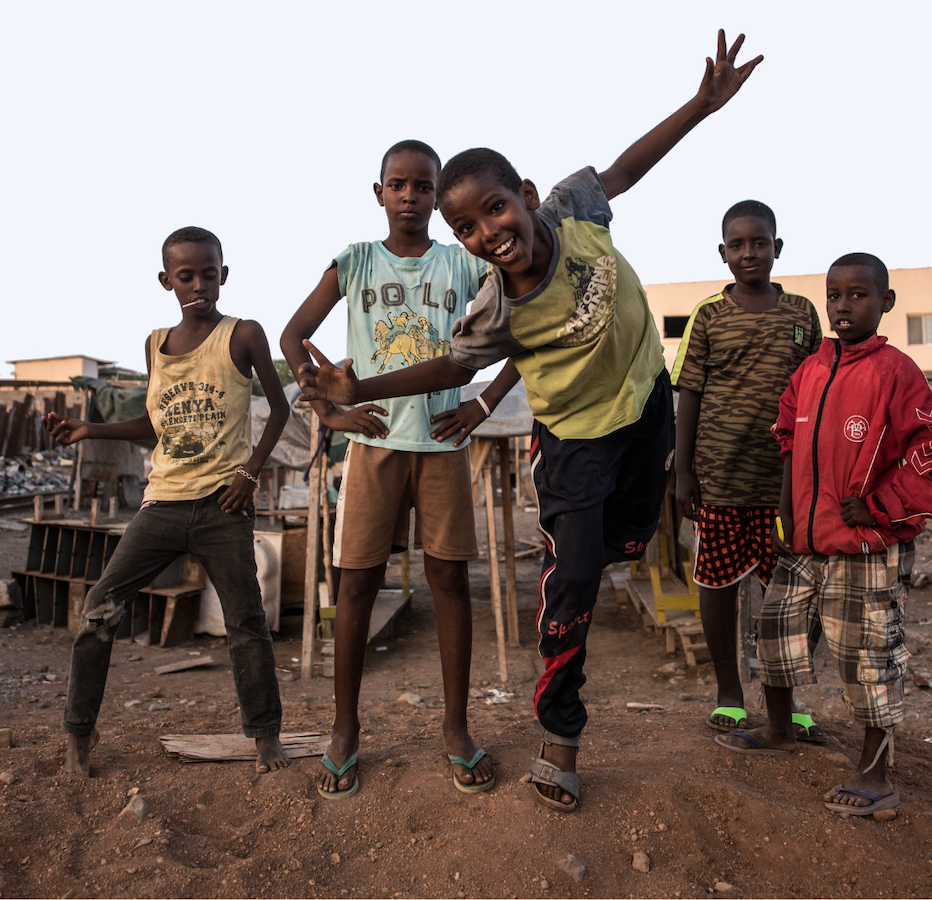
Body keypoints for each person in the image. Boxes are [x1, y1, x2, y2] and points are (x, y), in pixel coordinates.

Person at [294, 31, 763, 812]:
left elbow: (628, 166)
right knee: (571, 581)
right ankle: (560, 738)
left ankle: (604, 548)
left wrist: (702, 106)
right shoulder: (494, 305)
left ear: (528, 194)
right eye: (470, 228)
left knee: (628, 538)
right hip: (574, 439)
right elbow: (451, 366)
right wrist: (360, 385)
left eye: (496, 208)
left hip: (646, 402)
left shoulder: (577, 207)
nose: (488, 232)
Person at [280, 140, 521, 799]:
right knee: (355, 584)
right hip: (375, 445)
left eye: (423, 186)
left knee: (449, 584)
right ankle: (345, 728)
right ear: (379, 192)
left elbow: (530, 320)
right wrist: (328, 409)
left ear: (439, 199)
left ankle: (455, 728)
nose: (410, 196)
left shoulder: (460, 262)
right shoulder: (355, 262)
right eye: (399, 184)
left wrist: (484, 401)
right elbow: (294, 333)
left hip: (442, 445)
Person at [714, 252, 932, 818]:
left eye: (858, 295)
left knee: (866, 651)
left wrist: (877, 507)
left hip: (865, 544)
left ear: (885, 303)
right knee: (775, 633)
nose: (843, 306)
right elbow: (788, 445)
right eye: (834, 295)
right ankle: (780, 729)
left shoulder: (896, 373)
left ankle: (877, 772)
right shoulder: (810, 370)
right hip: (803, 542)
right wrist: (783, 519)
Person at [44, 226, 292, 778]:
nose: (198, 285)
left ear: (224, 275)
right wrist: (89, 430)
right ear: (166, 281)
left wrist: (250, 474)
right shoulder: (155, 344)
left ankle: (265, 736)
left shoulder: (243, 335)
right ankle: (78, 737)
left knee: (246, 622)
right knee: (98, 613)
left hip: (224, 507)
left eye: (209, 274)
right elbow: (156, 424)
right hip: (162, 506)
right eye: (186, 276)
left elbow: (280, 411)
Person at [671, 200, 824, 739]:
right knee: (718, 583)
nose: (749, 252)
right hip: (719, 474)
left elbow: (816, 392)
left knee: (792, 592)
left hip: (785, 483)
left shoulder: (804, 313)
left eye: (759, 243)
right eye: (737, 245)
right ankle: (729, 692)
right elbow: (688, 391)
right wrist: (682, 470)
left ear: (776, 248)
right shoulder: (708, 315)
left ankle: (786, 699)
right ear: (723, 253)